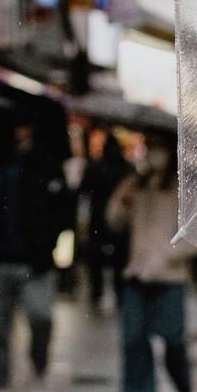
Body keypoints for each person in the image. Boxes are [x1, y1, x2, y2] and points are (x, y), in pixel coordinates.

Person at [0, 121, 68, 392]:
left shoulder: (45, 161)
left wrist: (48, 241)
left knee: (41, 318)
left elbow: (62, 206)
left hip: (34, 260)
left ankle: (39, 372)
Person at [107, 138, 197, 392]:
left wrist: (166, 255)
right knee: (134, 338)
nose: (153, 155)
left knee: (173, 339)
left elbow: (196, 237)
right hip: (136, 274)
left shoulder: (184, 189)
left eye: (159, 148)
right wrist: (123, 198)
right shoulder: (135, 184)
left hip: (170, 277)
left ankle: (184, 386)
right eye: (150, 148)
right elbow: (114, 221)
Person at [79, 128, 134, 309]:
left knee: (97, 259)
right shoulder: (127, 168)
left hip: (98, 219)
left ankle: (97, 293)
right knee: (119, 261)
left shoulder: (94, 166)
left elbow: (83, 192)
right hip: (119, 222)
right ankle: (119, 295)